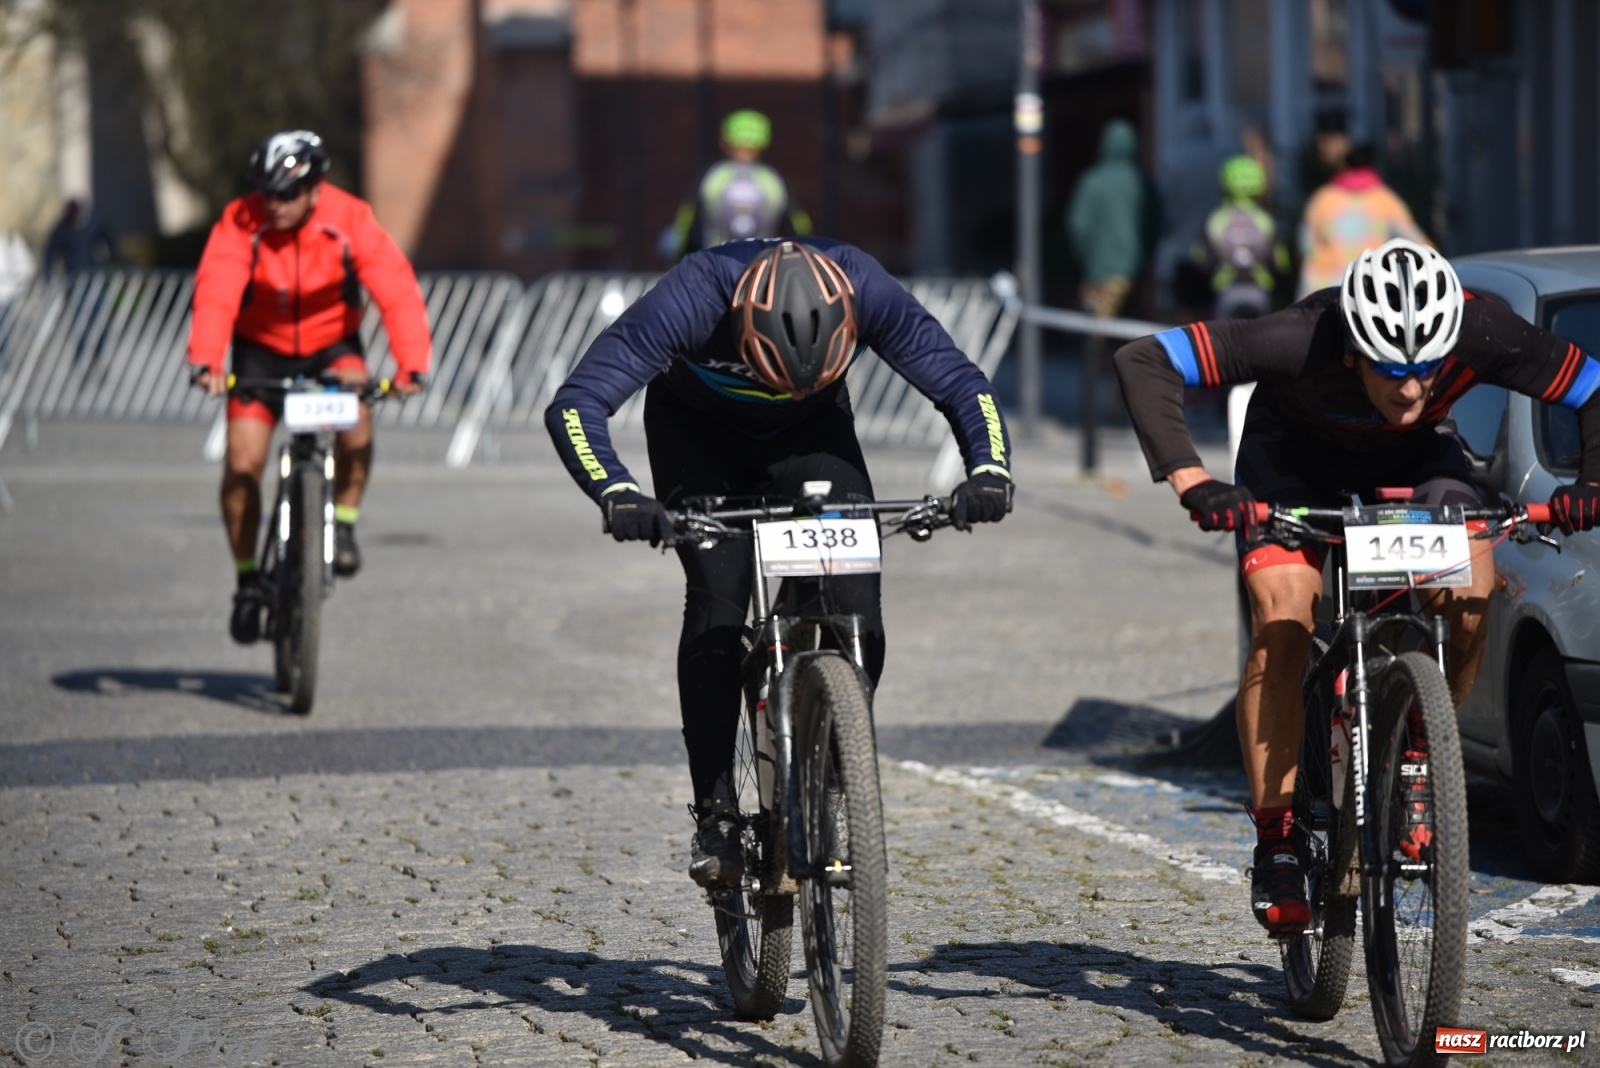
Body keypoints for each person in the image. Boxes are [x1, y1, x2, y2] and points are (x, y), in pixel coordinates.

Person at [1113, 238, 1600, 934]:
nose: (1410, 387)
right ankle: (1277, 840)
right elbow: (1146, 359)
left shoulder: (1480, 328)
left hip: (1416, 458)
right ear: (1352, 351)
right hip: (1291, 463)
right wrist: (1195, 482)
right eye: (1391, 370)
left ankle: (1417, 750)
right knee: (1282, 623)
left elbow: (1591, 386)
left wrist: (1592, 484)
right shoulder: (1299, 337)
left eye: (1427, 370)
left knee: (1470, 589)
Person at [544, 239, 1013, 887]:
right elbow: (577, 404)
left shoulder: (863, 284)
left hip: (811, 433)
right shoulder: (697, 293)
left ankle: (833, 766)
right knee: (718, 599)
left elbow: (962, 384)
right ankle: (716, 816)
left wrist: (988, 471)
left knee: (857, 605)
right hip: (698, 432)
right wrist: (618, 492)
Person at [187, 130, 431, 644]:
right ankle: (248, 579)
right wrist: (207, 358)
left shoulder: (350, 219)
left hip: (330, 346)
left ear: (316, 190)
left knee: (358, 415)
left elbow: (395, 287)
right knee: (241, 466)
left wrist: (411, 363)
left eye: (287, 195)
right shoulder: (241, 220)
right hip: (260, 351)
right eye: (267, 193)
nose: (274, 205)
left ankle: (342, 521)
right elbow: (217, 288)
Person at [661, 110, 811, 262]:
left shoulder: (713, 177)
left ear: (725, 141)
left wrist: (676, 259)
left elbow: (685, 225)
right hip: (763, 265)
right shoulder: (773, 180)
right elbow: (799, 225)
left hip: (717, 262)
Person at [1296, 142, 1427, 298]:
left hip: (1320, 290)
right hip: (1365, 289)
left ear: (1345, 167)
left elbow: (1303, 244)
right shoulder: (1387, 201)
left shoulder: (1322, 199)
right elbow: (1417, 243)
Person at [1066, 118, 1159, 320]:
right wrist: (1144, 255)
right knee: (1135, 339)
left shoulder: (1092, 182)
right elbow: (1156, 224)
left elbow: (1078, 227)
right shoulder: (1142, 182)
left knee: (1099, 335)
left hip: (1099, 274)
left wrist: (1086, 259)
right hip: (1136, 274)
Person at [1190, 155, 1288, 320]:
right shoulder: (1265, 220)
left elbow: (1201, 262)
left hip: (1226, 290)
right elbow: (1280, 263)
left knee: (1224, 339)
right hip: (1259, 290)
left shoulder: (1215, 219)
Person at [42, 198, 117, 274]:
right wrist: (48, 271)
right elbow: (51, 250)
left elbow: (110, 239)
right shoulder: (62, 229)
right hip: (72, 273)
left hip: (92, 270)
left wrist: (113, 259)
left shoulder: (95, 223)